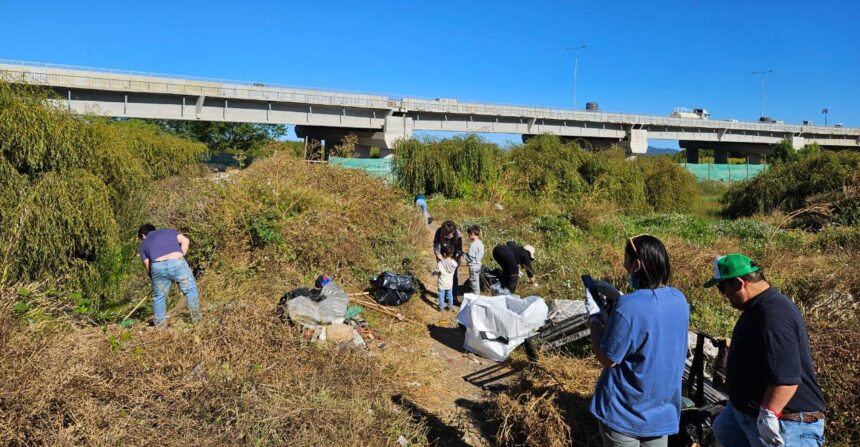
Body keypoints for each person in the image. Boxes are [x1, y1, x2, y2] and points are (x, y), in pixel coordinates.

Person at [705, 254, 826, 447]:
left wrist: (769, 414)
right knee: (723, 429)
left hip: (788, 423)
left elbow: (786, 380)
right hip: (746, 414)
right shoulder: (756, 308)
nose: (723, 295)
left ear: (738, 283)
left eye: (722, 287)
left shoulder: (773, 317)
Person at [586, 234, 690, 447]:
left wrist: (594, 319)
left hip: (624, 413)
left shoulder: (629, 307)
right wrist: (618, 298)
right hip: (661, 413)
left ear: (637, 265)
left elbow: (608, 359)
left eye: (626, 260)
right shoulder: (679, 299)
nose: (624, 265)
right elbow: (651, 322)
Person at [138, 224, 201, 326]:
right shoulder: (169, 231)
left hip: (157, 266)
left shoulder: (143, 244)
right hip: (177, 261)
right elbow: (186, 241)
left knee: (159, 297)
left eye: (141, 238)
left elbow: (147, 265)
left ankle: (160, 326)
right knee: (190, 290)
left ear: (143, 235)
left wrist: (153, 277)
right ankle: (197, 320)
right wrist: (180, 257)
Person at [433, 220, 464, 293]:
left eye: (452, 235)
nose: (450, 237)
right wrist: (441, 259)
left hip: (453, 255)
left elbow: (459, 250)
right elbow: (436, 247)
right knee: (442, 274)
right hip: (442, 254)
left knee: (454, 274)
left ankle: (453, 294)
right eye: (448, 235)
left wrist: (453, 261)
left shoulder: (458, 234)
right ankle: (442, 293)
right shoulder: (439, 232)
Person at [433, 245, 457, 311]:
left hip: (442, 283)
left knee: (441, 295)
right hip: (449, 283)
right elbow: (456, 265)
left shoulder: (440, 264)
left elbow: (437, 271)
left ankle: (441, 307)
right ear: (452, 254)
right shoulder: (454, 263)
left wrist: (433, 273)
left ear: (444, 254)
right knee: (450, 295)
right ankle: (450, 307)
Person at [465, 225, 485, 294]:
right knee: (476, 282)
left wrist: (464, 255)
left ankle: (476, 298)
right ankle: (475, 295)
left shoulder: (473, 244)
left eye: (469, 234)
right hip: (478, 265)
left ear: (472, 234)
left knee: (474, 284)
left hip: (473, 266)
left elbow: (470, 258)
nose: (468, 236)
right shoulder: (480, 243)